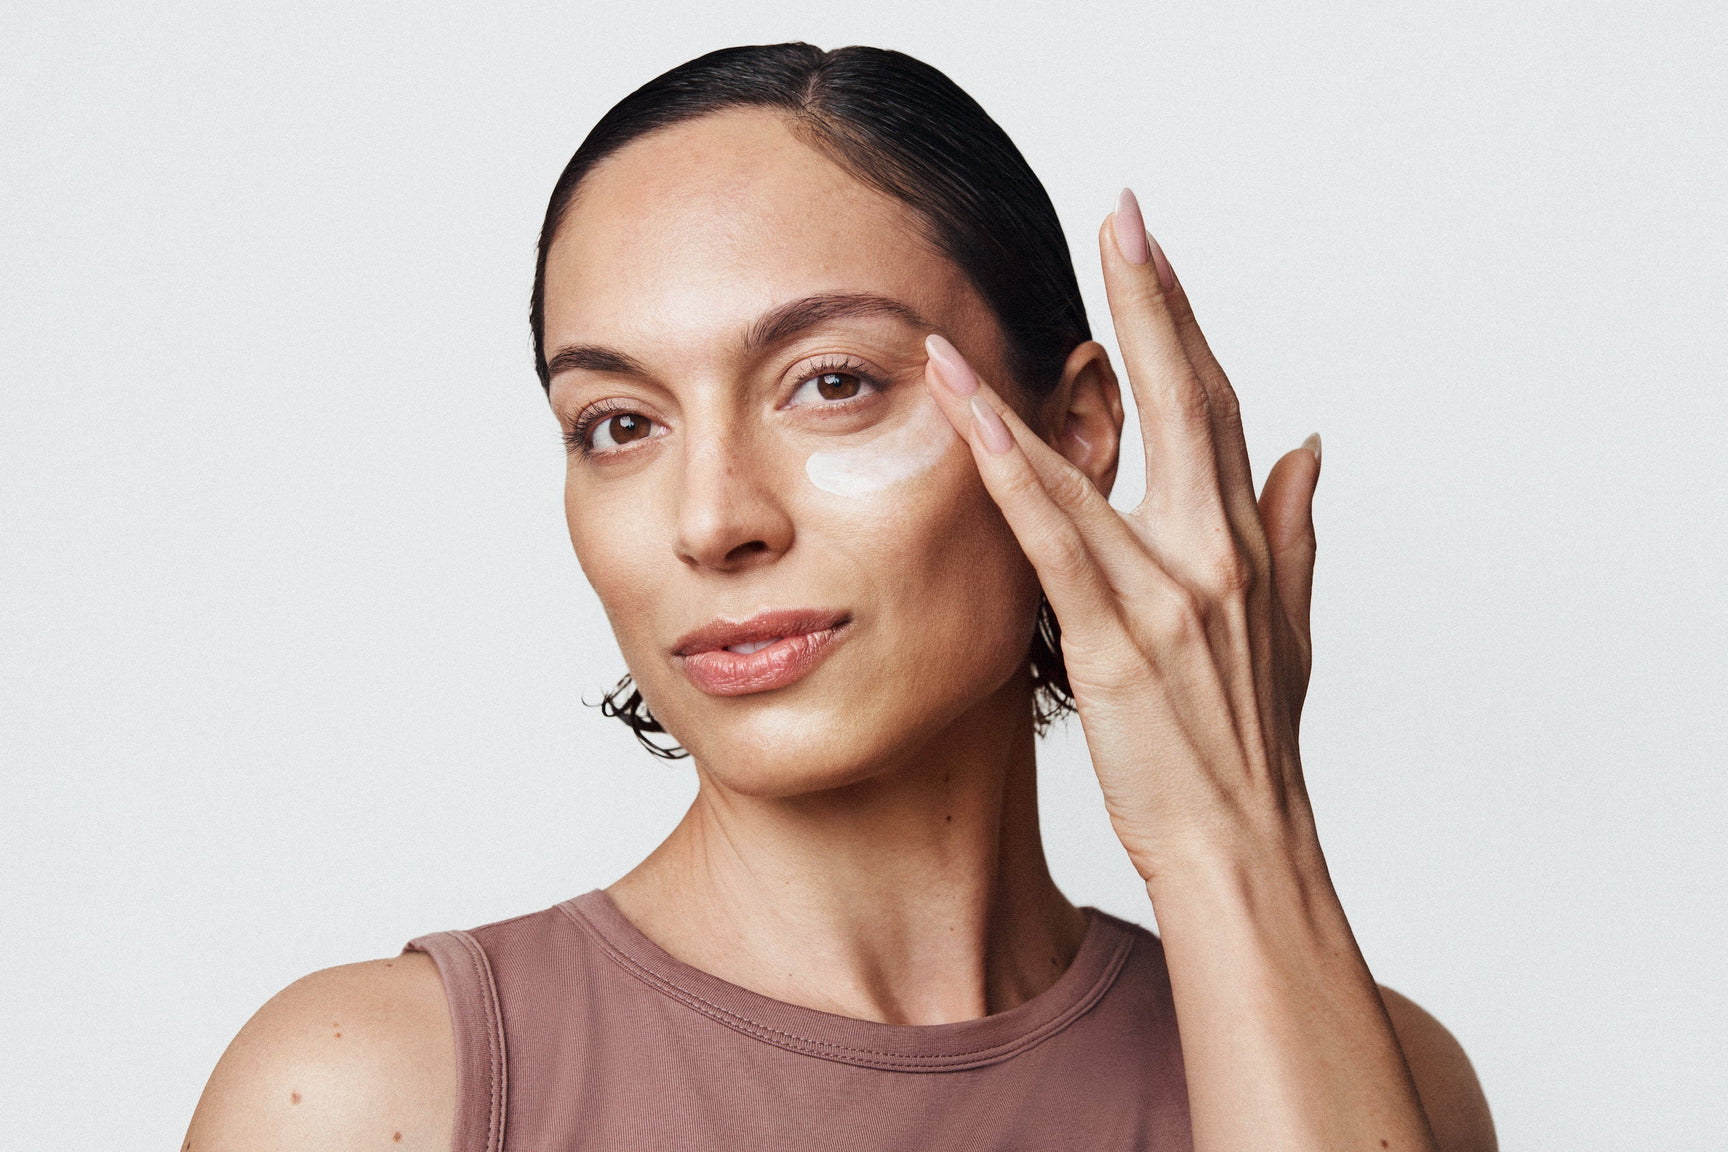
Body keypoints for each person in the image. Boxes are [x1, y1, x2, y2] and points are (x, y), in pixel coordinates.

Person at [185, 43, 1496, 1151]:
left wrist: (1232, 832)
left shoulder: (1383, 1078)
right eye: (619, 423)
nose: (713, 521)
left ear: (1078, 428)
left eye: (831, 383)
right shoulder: (373, 1097)